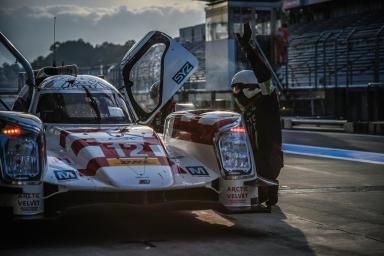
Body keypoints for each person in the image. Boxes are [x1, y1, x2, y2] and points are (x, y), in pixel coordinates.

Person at [232, 23, 283, 206]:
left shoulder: (267, 99)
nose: (235, 93)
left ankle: (269, 186)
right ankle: (267, 189)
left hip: (268, 161)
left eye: (238, 88)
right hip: (254, 164)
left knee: (251, 200)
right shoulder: (245, 111)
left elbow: (265, 77)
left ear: (250, 87)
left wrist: (248, 48)